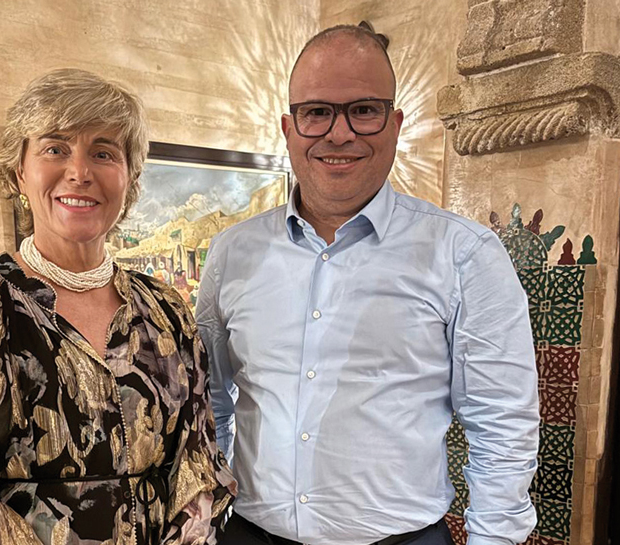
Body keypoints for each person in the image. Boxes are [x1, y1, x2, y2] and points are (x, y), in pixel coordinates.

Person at [196, 24, 539, 545]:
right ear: (288, 128)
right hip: (248, 533)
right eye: (317, 112)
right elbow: (212, 404)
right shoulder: (231, 253)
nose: (339, 134)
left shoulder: (465, 254)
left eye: (363, 110)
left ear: (395, 124)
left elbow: (502, 425)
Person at [0, 68, 236, 545]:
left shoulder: (166, 311)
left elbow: (199, 463)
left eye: (103, 152)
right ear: (19, 172)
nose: (80, 172)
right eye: (55, 149)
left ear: (129, 178)